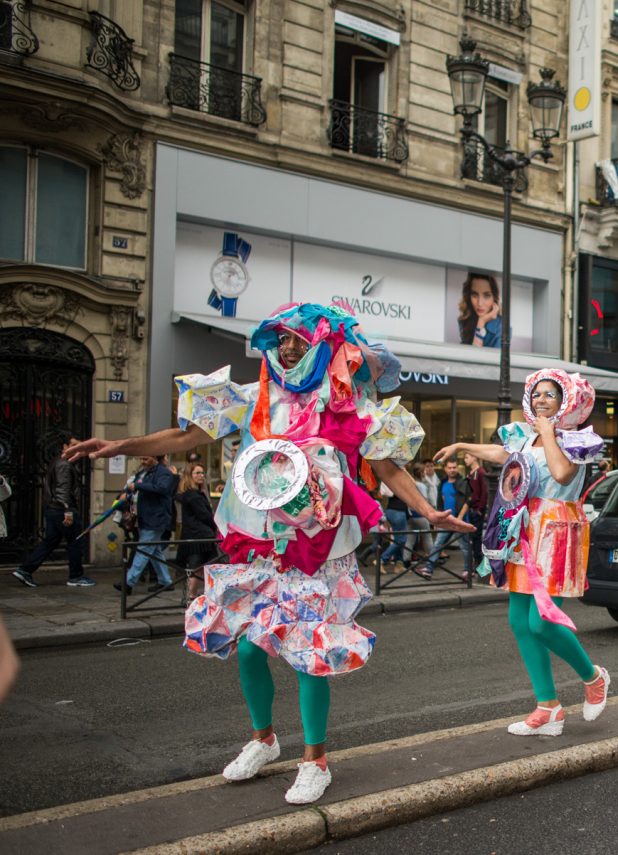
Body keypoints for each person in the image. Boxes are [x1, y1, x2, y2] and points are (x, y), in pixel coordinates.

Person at [65, 303, 470, 805]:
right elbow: (188, 435)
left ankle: (315, 760)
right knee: (252, 647)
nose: (287, 347)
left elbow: (387, 469)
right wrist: (116, 445)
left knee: (307, 655)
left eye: (299, 339)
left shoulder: (341, 402)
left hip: (313, 544)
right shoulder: (253, 396)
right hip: (256, 540)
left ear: (322, 346)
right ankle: (264, 740)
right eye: (280, 340)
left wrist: (429, 512)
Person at [436, 369, 610, 737]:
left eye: (551, 395)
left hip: (557, 528)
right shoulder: (526, 435)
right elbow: (503, 453)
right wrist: (463, 447)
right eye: (537, 394)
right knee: (519, 621)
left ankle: (593, 677)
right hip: (522, 527)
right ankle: (548, 707)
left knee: (541, 622)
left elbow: (562, 474)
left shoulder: (577, 438)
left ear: (566, 402)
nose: (541, 400)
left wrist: (548, 432)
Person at [13, 434, 92, 588]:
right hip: (62, 509)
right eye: (73, 445)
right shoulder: (64, 464)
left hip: (53, 509)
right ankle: (76, 577)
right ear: (64, 446)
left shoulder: (57, 462)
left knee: (51, 541)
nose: (77, 449)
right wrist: (68, 512)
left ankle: (25, 570)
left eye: (79, 446)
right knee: (76, 541)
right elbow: (63, 490)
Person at [113, 455, 178, 595]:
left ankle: (128, 582)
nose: (142, 462)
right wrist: (127, 493)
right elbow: (134, 487)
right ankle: (166, 581)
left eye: (146, 459)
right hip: (146, 517)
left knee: (143, 549)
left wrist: (138, 486)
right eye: (141, 459)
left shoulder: (163, 473)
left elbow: (162, 488)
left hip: (156, 518)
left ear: (155, 458)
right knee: (154, 550)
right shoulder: (144, 472)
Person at [415, 458, 471, 579]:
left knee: (465, 547)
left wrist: (460, 518)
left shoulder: (463, 482)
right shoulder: (443, 483)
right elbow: (440, 502)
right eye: (449, 468)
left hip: (460, 521)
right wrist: (438, 520)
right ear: (445, 469)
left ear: (457, 468)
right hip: (446, 521)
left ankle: (468, 570)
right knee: (437, 545)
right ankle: (428, 569)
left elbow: (468, 501)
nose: (452, 470)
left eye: (454, 467)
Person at [176, 463, 219, 607]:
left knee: (202, 566)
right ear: (190, 476)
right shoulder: (193, 496)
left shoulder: (193, 494)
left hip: (197, 534)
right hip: (199, 535)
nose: (201, 476)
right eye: (197, 473)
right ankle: (191, 596)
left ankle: (196, 595)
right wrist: (215, 525)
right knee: (198, 566)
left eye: (202, 473)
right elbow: (204, 515)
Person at [457, 272, 501, 348]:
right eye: (474, 295)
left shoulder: (502, 327)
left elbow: (477, 357)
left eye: (486, 296)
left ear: (494, 297)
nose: (480, 303)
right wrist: (481, 321)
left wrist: (481, 321)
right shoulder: (466, 319)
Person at [464, 451, 489, 575]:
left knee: (477, 538)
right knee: (473, 539)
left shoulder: (480, 472)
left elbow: (484, 492)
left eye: (467, 457)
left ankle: (480, 568)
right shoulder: (470, 473)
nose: (465, 460)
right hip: (471, 508)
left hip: (477, 510)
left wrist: (480, 508)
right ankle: (476, 566)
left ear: (474, 457)